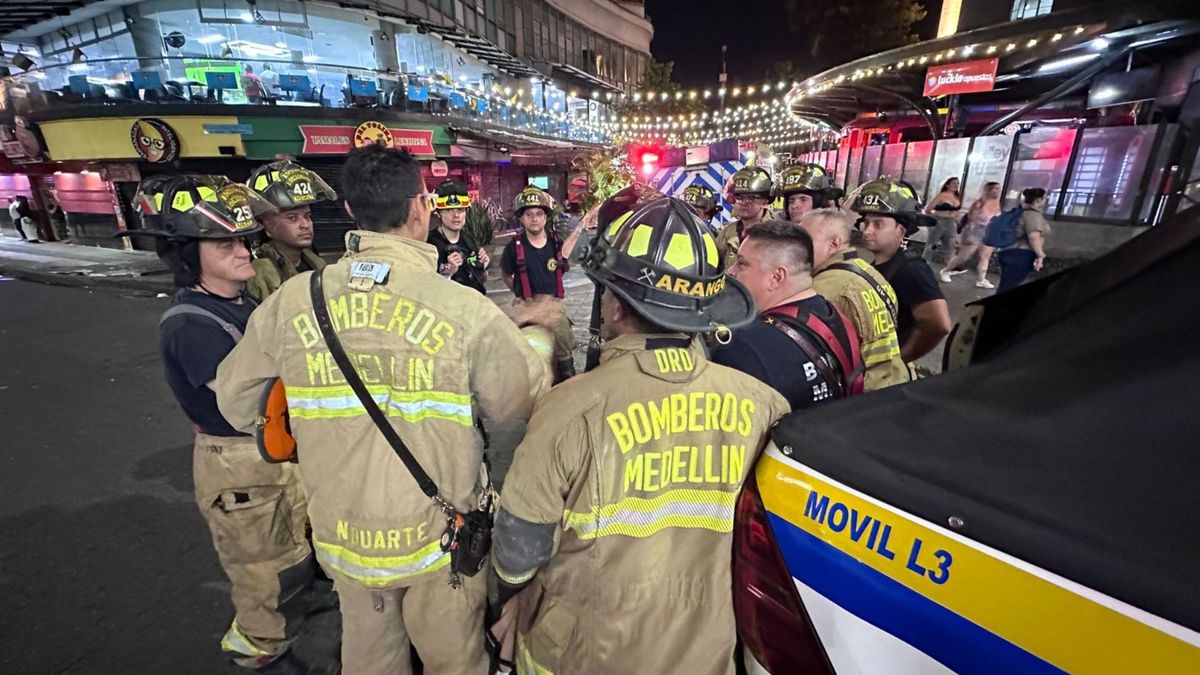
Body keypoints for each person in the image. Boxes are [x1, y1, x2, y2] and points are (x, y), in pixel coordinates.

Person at [215, 144, 556, 675]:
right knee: (454, 662)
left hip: (344, 540)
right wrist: (536, 339)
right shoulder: (463, 310)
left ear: (350, 212)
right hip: (436, 542)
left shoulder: (293, 300)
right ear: (421, 207)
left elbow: (236, 403)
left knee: (370, 658)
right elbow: (521, 406)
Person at [488, 195, 790, 675]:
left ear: (613, 304)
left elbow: (517, 554)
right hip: (707, 652)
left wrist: (507, 601)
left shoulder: (569, 409)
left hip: (587, 654)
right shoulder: (765, 405)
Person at [131, 175, 324, 674]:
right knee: (261, 571)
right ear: (188, 255)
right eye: (226, 244)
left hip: (273, 452)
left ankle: (290, 615)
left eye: (241, 240)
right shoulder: (191, 325)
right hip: (238, 465)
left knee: (292, 553)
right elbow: (250, 400)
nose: (244, 252)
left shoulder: (244, 304)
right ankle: (259, 651)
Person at [713, 220, 864, 408]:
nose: (731, 271)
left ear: (776, 278)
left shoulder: (744, 347)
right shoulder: (837, 319)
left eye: (742, 263)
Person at [800, 208, 910, 391]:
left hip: (863, 395)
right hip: (894, 382)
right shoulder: (870, 272)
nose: (797, 248)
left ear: (834, 243)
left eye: (804, 241)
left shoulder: (827, 289)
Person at [853, 178, 952, 365]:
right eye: (866, 223)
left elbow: (938, 324)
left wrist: (898, 361)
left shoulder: (912, 269)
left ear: (900, 230)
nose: (867, 231)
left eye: (878, 224)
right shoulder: (879, 265)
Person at [500, 185, 586, 382]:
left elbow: (564, 260)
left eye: (539, 213)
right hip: (526, 309)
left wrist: (582, 226)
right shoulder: (514, 248)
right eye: (529, 214)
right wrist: (521, 295)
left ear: (545, 217)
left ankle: (567, 381)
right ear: (521, 218)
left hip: (554, 307)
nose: (534, 218)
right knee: (523, 361)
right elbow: (506, 275)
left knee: (564, 355)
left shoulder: (555, 243)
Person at [244, 160, 337, 301]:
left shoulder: (315, 262)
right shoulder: (261, 274)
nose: (305, 224)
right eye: (292, 218)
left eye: (308, 216)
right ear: (268, 226)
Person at [428, 180, 489, 294]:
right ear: (439, 213)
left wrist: (482, 267)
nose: (456, 215)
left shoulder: (469, 241)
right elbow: (424, 288)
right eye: (449, 210)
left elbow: (481, 281)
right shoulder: (429, 245)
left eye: (460, 210)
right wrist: (448, 273)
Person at [946, 181, 1003, 288]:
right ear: (988, 190)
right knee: (963, 256)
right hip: (976, 230)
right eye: (995, 189)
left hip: (989, 231)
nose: (998, 191)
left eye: (999, 189)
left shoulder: (996, 203)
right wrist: (968, 235)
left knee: (985, 256)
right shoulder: (979, 203)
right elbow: (971, 220)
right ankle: (946, 271)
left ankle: (981, 279)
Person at [714, 166, 773, 270]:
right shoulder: (726, 233)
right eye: (739, 198)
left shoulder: (778, 232)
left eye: (750, 198)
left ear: (765, 202)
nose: (744, 203)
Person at [995, 188, 1051, 292]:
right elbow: (1033, 237)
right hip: (1020, 254)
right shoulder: (1033, 215)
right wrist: (1040, 255)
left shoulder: (1020, 212)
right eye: (1045, 198)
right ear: (1038, 200)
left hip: (1009, 252)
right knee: (1009, 287)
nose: (1046, 200)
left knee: (1007, 284)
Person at [923, 177, 962, 265]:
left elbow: (957, 212)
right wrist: (934, 217)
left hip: (951, 222)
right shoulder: (942, 195)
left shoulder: (957, 197)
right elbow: (928, 209)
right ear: (947, 185)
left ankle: (949, 266)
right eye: (954, 183)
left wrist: (958, 221)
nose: (956, 185)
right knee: (932, 243)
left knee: (950, 245)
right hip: (939, 221)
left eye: (957, 183)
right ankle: (925, 263)